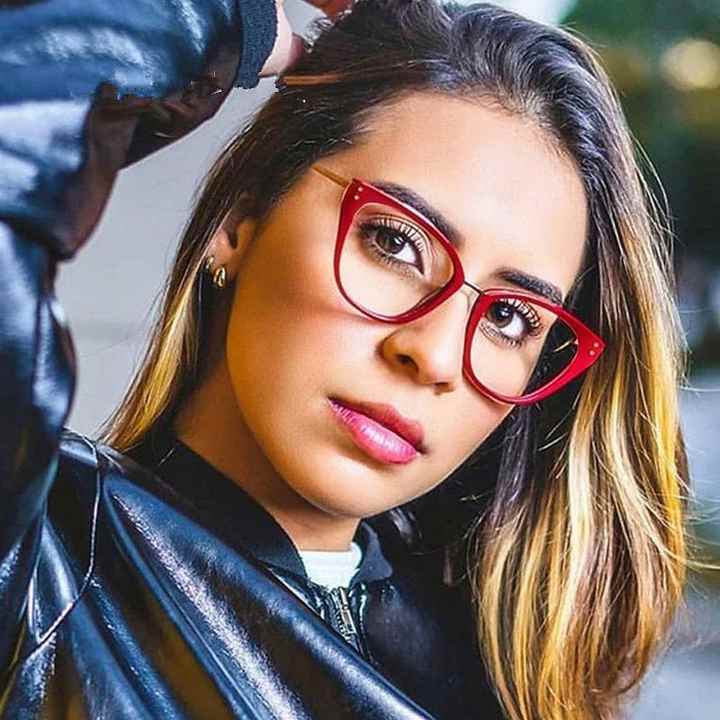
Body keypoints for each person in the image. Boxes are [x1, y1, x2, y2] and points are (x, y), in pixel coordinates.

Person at [0, 0, 690, 718]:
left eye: (509, 317)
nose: (433, 355)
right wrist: (218, 18)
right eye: (395, 242)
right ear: (240, 219)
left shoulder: (507, 673)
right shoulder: (40, 569)